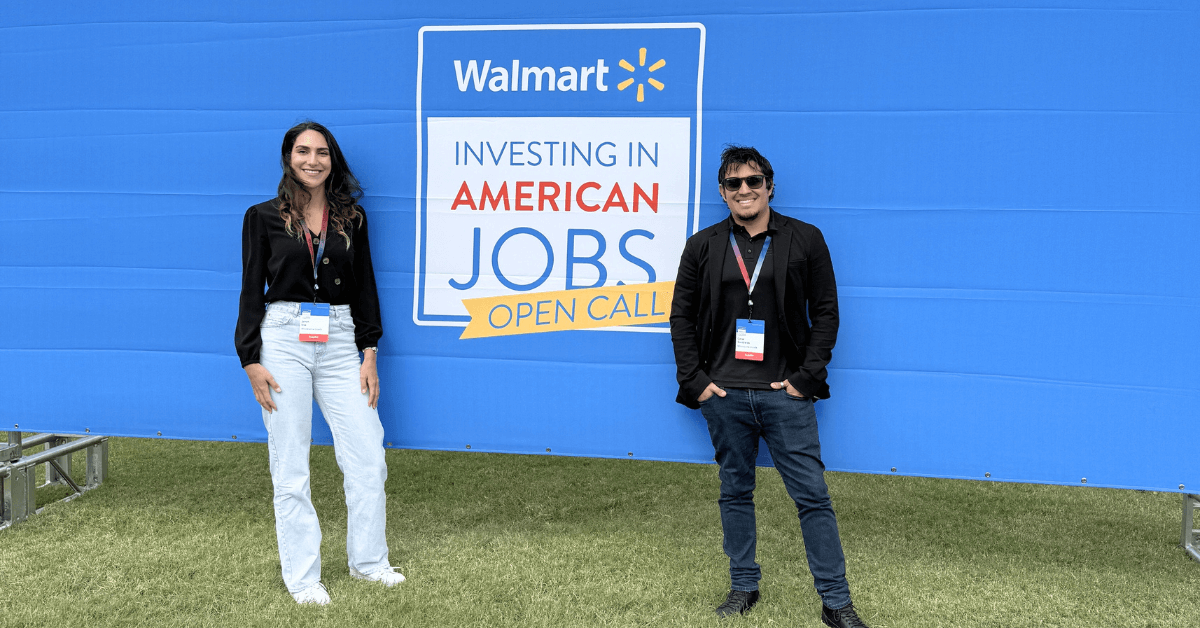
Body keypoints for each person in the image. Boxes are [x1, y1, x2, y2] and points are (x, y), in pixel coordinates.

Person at [669, 145, 870, 627]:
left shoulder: (805, 239)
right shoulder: (703, 245)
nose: (745, 190)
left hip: (785, 395)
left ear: (769, 186)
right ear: (722, 192)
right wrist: (696, 382)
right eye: (734, 184)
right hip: (725, 396)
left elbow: (825, 314)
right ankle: (743, 586)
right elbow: (681, 318)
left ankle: (836, 603)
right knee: (735, 491)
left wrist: (804, 379)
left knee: (812, 497)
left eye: (753, 181)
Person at [235, 121, 403, 605]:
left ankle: (370, 563)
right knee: (291, 464)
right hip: (283, 338)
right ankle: (304, 579)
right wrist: (250, 358)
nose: (313, 160)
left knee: (368, 455)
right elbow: (250, 290)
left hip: (341, 336)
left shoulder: (353, 219)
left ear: (333, 160)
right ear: (288, 157)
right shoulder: (261, 217)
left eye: (322, 152)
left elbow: (365, 286)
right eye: (303, 151)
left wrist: (369, 350)